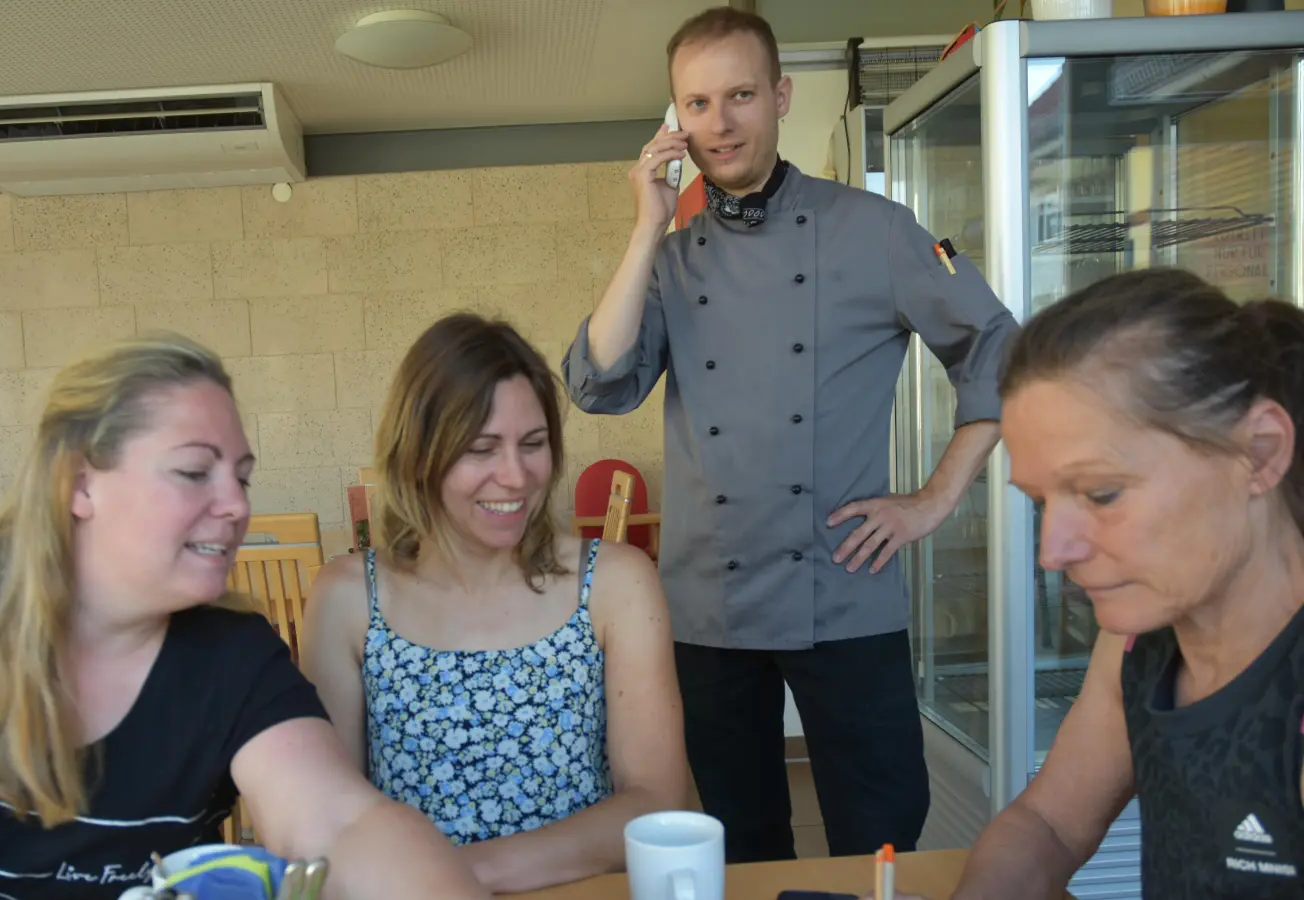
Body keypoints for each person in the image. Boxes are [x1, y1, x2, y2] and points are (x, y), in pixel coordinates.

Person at [0, 333, 489, 900]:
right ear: (80, 484)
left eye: (242, 476)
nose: (239, 505)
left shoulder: (229, 656)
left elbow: (343, 825)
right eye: (194, 471)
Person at [562, 6, 1020, 863]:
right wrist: (642, 228)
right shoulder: (669, 258)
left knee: (881, 830)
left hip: (846, 591)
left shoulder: (875, 228)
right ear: (674, 121)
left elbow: (998, 344)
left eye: (739, 95)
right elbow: (598, 383)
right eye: (695, 104)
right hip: (708, 608)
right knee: (738, 841)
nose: (720, 122)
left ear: (780, 96)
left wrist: (934, 500)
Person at [899, 268, 1304, 900]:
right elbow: (1049, 824)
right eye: (1040, 501)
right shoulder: (1142, 643)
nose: (1054, 553)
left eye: (1102, 493)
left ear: (1258, 452)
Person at [302, 313, 690, 894]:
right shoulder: (347, 600)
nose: (515, 477)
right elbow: (324, 816)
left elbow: (655, 801)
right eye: (481, 449)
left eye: (533, 445)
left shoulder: (614, 582)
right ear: (418, 455)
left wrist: (457, 875)